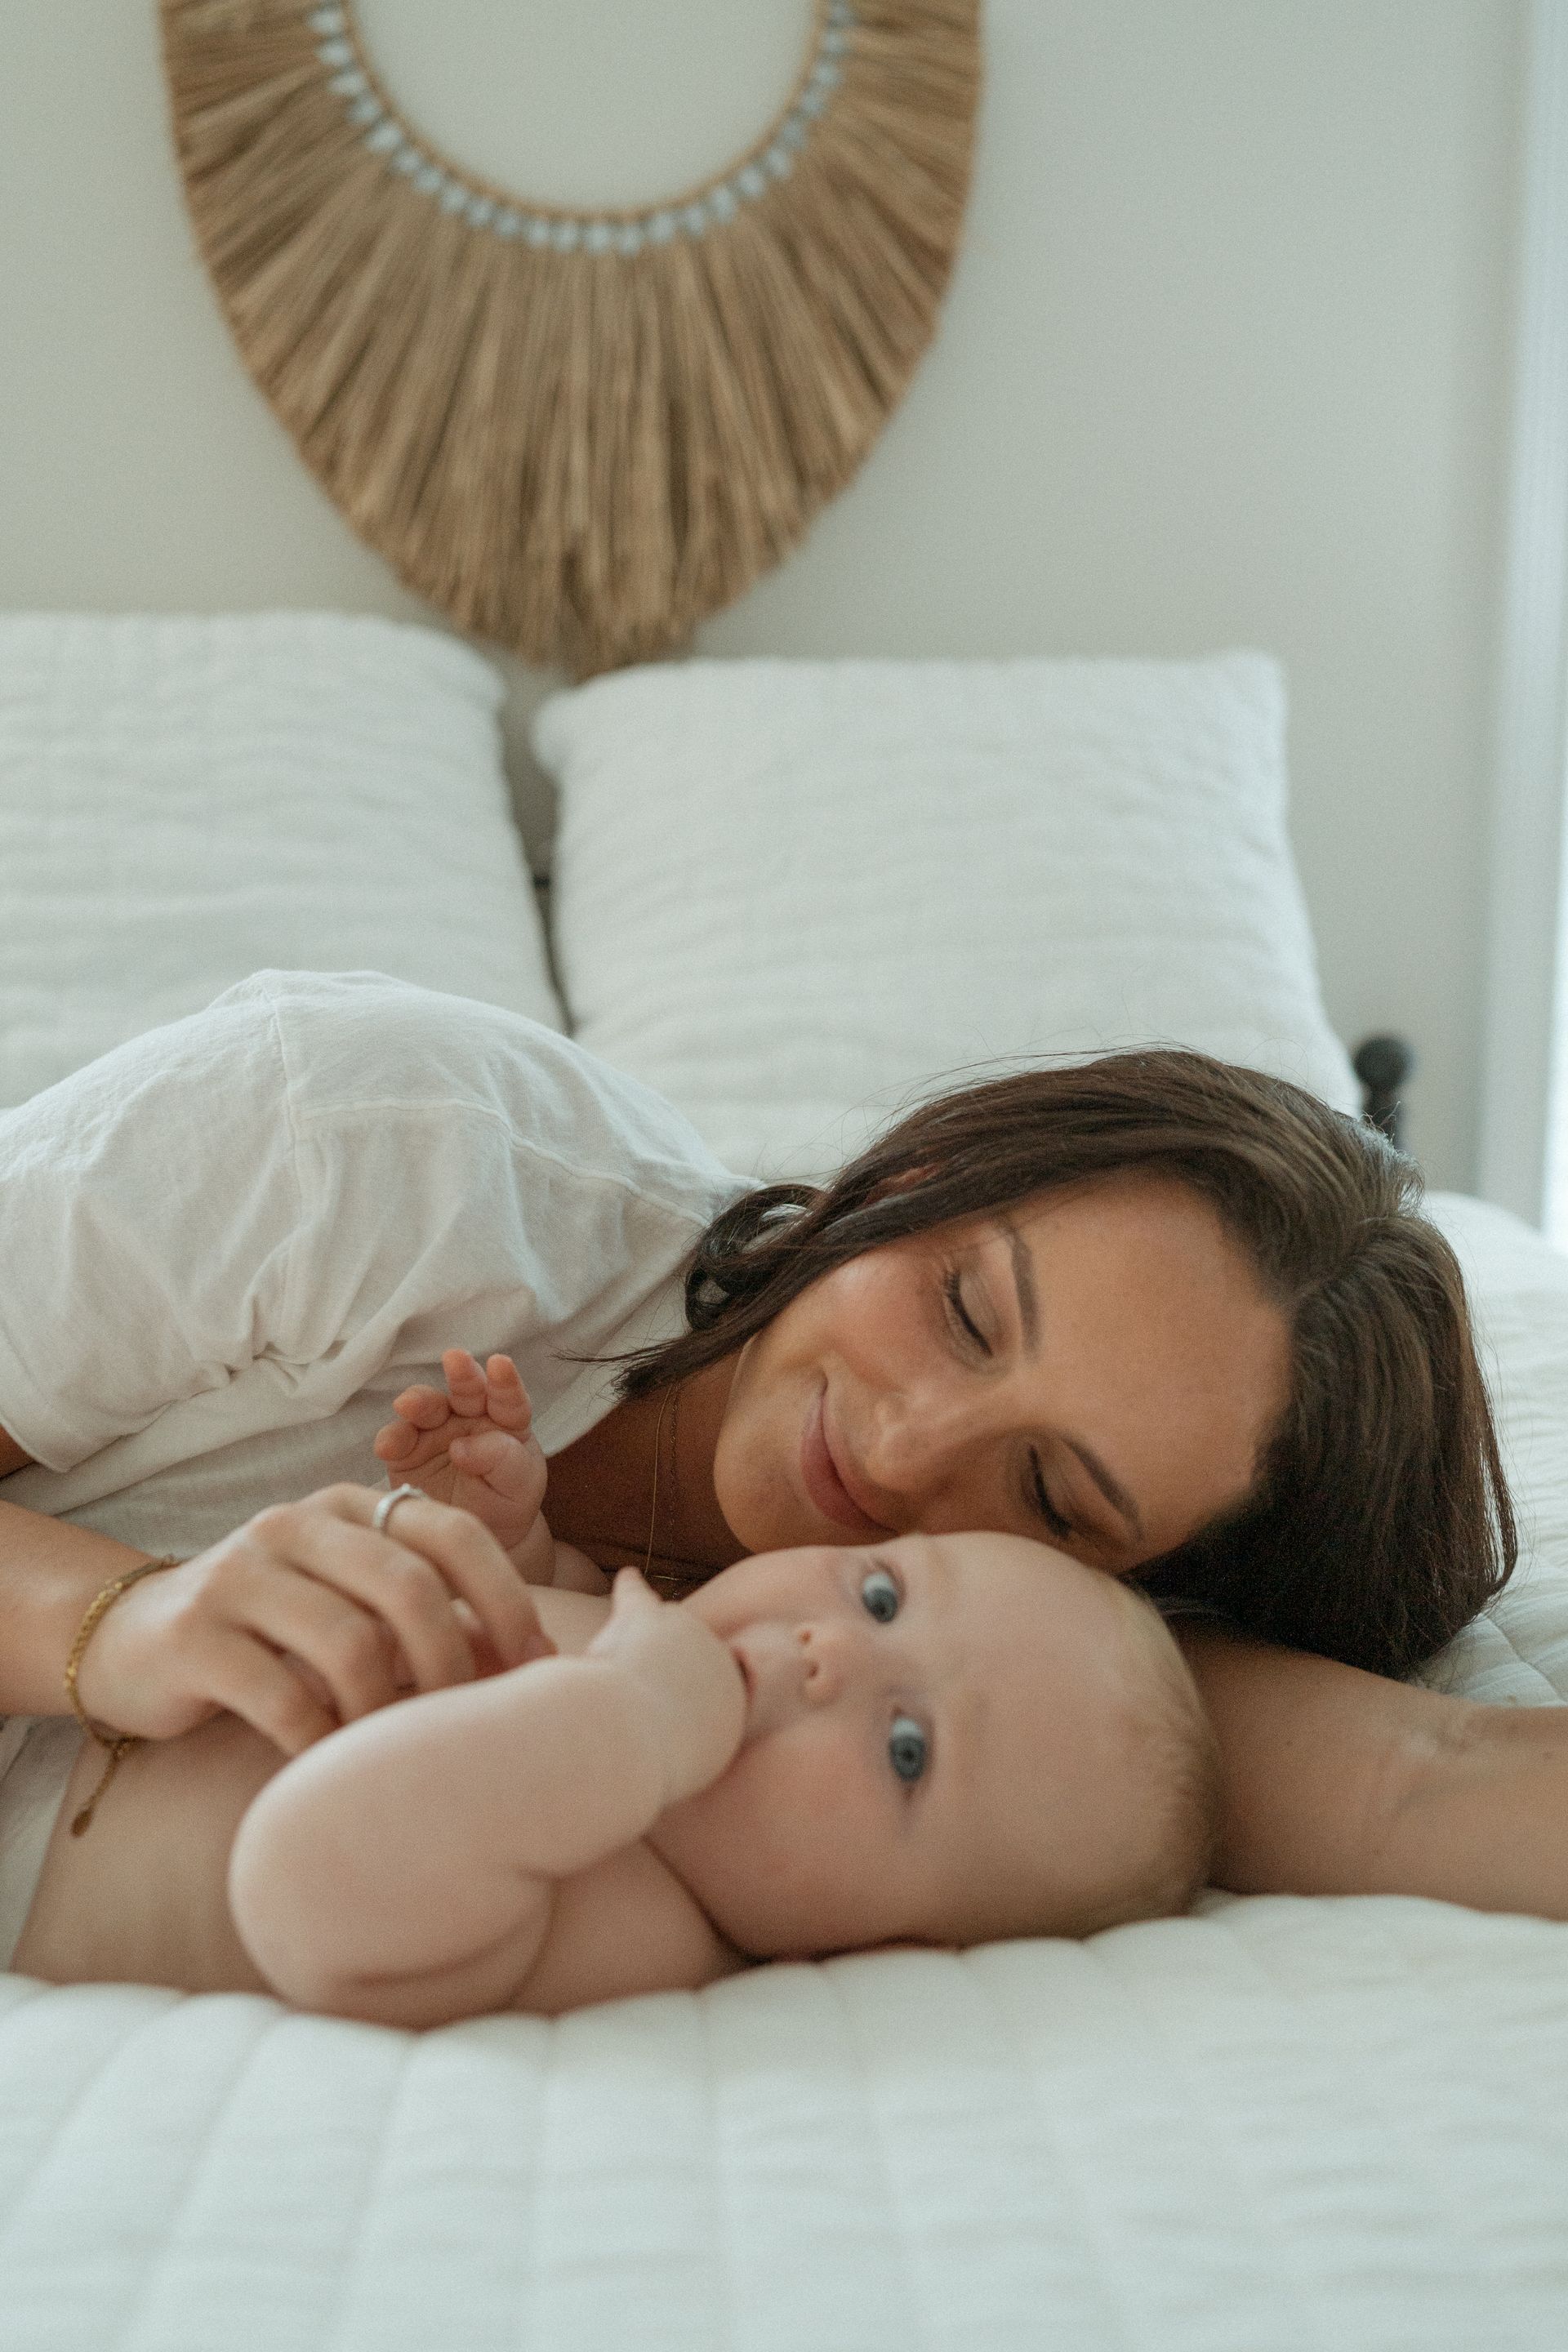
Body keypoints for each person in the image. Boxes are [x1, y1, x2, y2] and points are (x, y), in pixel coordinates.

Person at [0, 969, 1542, 1959]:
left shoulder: (1015, 1687)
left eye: (1053, 1497)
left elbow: (1423, 1779)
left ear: (1145, 1588)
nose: (904, 1449)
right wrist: (118, 1625)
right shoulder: (387, 1145)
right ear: (923, 1171)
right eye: (964, 1311)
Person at [12, 1413, 1219, 2020]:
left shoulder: (640, 1932)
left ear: (885, 1954)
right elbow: (541, 1635)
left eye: (907, 1752)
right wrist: (513, 1550)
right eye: (882, 1596)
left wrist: (636, 1719)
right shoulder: (660, 1652)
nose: (833, 1652)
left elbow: (307, 1871)